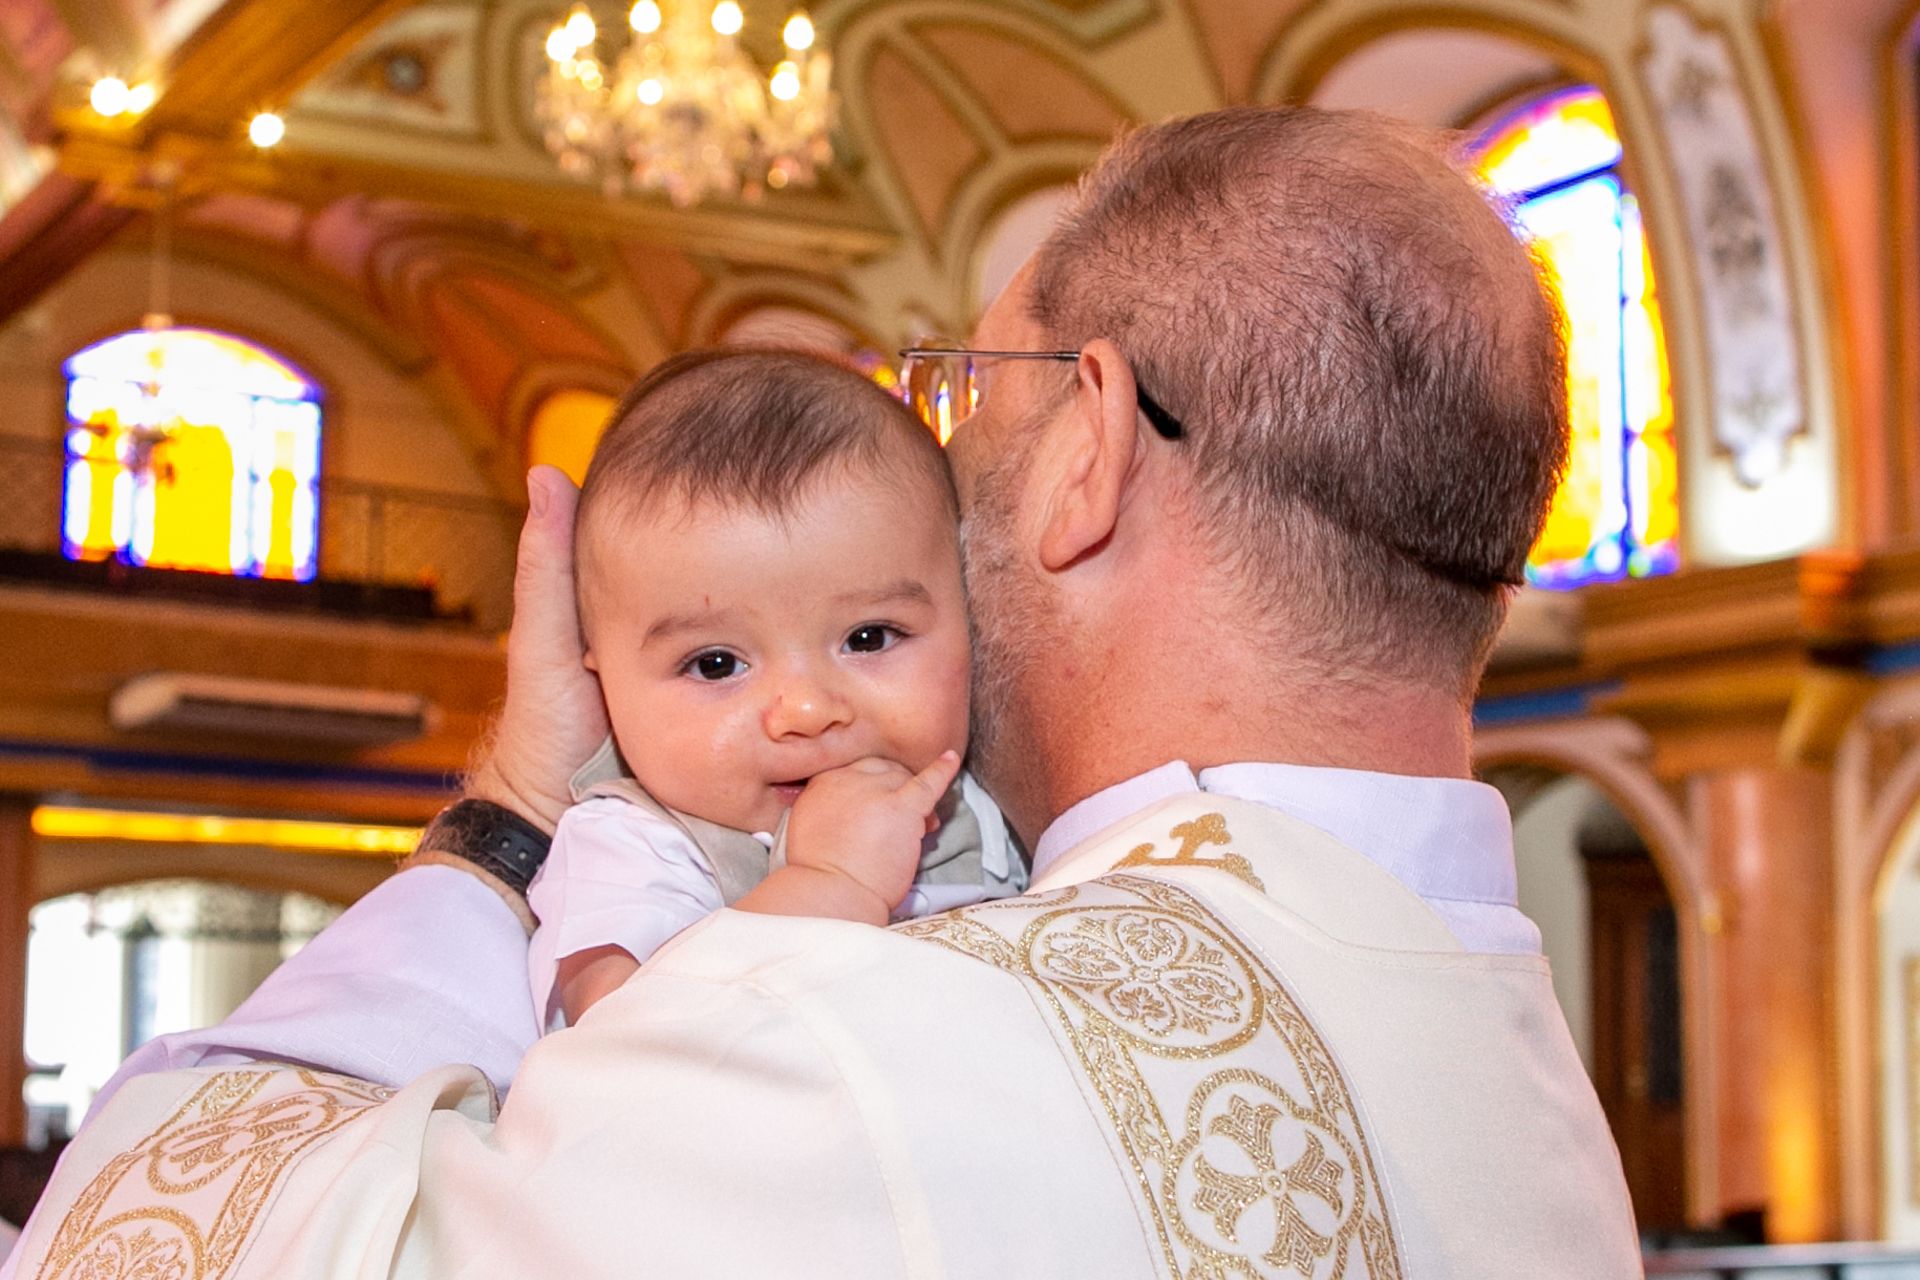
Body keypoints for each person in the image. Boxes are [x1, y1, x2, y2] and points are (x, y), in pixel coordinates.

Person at [3, 107, 1640, 1278]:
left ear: (1088, 448)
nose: (937, 465)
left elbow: (145, 1231)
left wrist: (509, 808)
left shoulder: (847, 1040)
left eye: (966, 397)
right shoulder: (1534, 1095)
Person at [528, 348, 1022, 1027]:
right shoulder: (635, 848)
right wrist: (828, 886)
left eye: (869, 638)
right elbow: (628, 1053)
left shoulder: (992, 799)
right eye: (716, 664)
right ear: (601, 678)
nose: (808, 712)